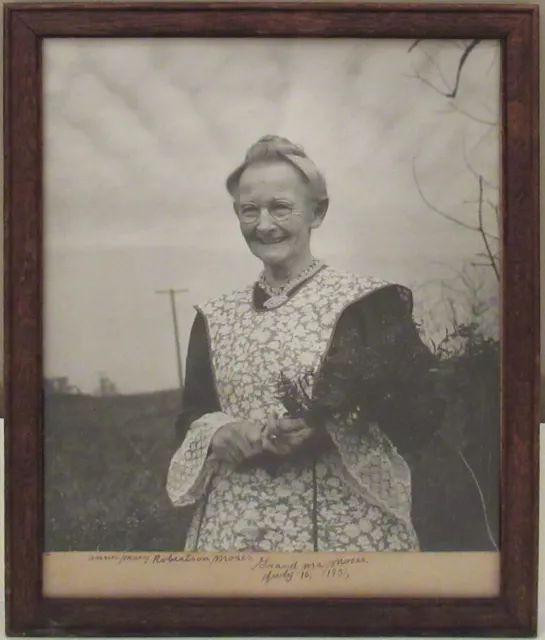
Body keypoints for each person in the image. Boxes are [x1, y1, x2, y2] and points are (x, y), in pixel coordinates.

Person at [166, 135, 496, 553]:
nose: (264, 225)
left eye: (280, 207)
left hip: (345, 532)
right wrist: (218, 433)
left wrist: (325, 427)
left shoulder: (365, 305)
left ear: (317, 212)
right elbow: (193, 413)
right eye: (250, 210)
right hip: (233, 530)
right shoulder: (212, 316)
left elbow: (418, 415)